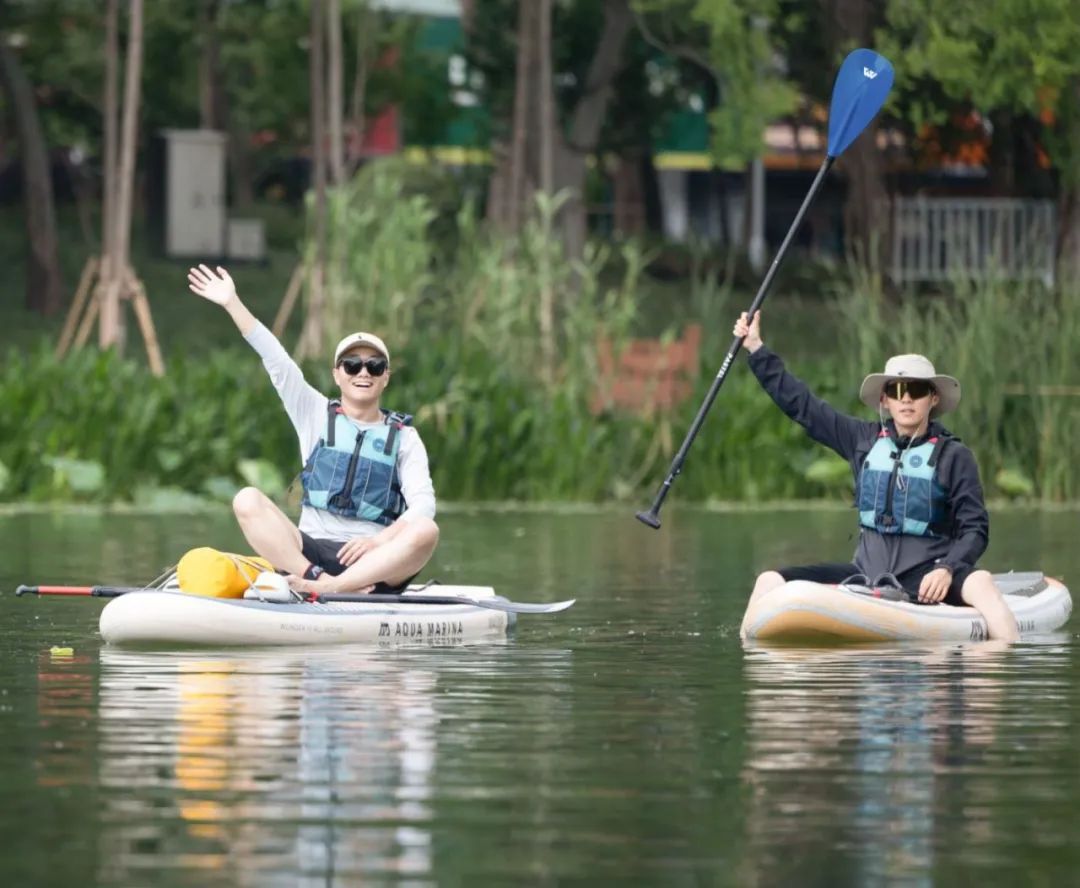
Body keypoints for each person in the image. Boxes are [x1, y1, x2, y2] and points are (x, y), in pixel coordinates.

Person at [735, 310, 1018, 641]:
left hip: (927, 578)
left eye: (916, 390)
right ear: (885, 398)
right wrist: (756, 348)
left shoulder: (955, 457)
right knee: (768, 581)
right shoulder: (862, 441)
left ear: (933, 398)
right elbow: (803, 406)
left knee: (981, 583)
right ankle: (750, 658)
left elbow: (975, 530)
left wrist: (948, 568)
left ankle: (1005, 666)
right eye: (897, 390)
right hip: (865, 574)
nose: (907, 398)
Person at [187, 264, 439, 596]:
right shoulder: (314, 412)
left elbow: (423, 505)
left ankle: (337, 587)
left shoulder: (405, 437)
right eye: (352, 365)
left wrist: (377, 541)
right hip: (308, 556)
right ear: (338, 374)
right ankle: (319, 582)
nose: (363, 372)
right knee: (246, 500)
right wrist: (233, 302)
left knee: (425, 529)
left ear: (385, 377)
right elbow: (277, 361)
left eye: (374, 366)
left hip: (375, 562)